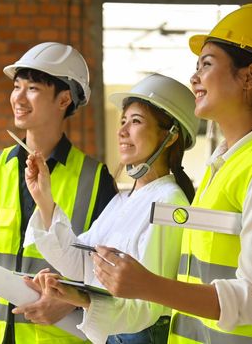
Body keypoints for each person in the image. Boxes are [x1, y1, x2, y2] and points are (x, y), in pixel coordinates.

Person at [90, 4, 252, 344]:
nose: (194, 78)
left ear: (249, 76)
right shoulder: (223, 169)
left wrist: (149, 286)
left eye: (206, 65)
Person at [0, 42, 117, 344]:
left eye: (32, 88)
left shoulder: (94, 179)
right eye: (16, 86)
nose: (18, 97)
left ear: (63, 99)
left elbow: (109, 271)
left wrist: (70, 300)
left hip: (53, 337)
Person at [22, 73, 200, 343]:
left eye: (136, 121)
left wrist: (82, 298)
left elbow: (147, 307)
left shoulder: (169, 203)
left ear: (171, 135)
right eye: (123, 121)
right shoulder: (123, 201)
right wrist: (44, 200)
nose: (122, 130)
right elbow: (81, 262)